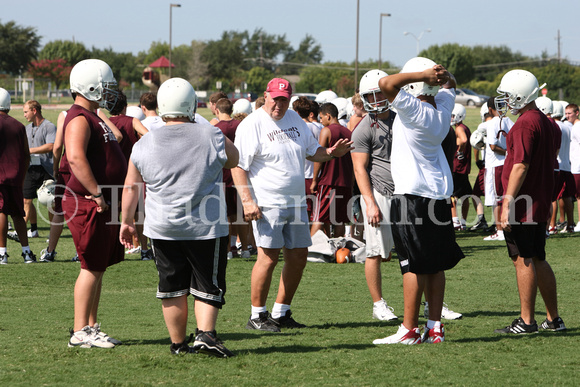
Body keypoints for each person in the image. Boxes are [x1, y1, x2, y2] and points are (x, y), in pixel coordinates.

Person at [120, 77, 238, 357]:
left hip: (162, 227)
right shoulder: (210, 134)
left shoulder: (145, 143)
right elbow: (234, 159)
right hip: (205, 226)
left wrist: (125, 221)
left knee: (171, 286)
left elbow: (130, 186)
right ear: (192, 105)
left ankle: (177, 344)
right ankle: (206, 335)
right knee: (207, 284)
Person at [232, 77, 353, 332]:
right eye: (275, 98)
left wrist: (331, 154)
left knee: (298, 257)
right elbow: (238, 166)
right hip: (267, 203)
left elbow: (313, 151)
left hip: (297, 202)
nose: (279, 104)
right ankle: (257, 315)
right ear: (266, 95)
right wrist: (247, 201)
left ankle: (281, 312)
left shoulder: (295, 120)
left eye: (284, 100)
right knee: (268, 258)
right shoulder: (252, 124)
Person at [373, 57, 464, 345]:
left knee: (411, 266)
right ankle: (435, 328)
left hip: (412, 196)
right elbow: (451, 85)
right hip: (437, 195)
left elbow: (385, 83)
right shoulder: (442, 109)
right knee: (435, 266)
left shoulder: (414, 109)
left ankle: (409, 329)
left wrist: (425, 74)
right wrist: (439, 77)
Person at [494, 69, 566, 334]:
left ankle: (527, 321)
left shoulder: (525, 123)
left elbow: (520, 165)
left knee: (523, 258)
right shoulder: (546, 122)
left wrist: (507, 202)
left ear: (520, 94)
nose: (505, 100)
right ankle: (553, 318)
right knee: (538, 258)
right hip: (539, 200)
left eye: (508, 95)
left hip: (524, 203)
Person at [64, 59, 127, 349]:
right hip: (89, 202)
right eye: (105, 85)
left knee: (98, 267)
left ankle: (90, 326)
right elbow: (76, 158)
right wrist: (98, 193)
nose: (109, 91)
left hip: (100, 201)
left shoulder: (93, 114)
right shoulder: (78, 117)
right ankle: (80, 331)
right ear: (90, 85)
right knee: (90, 266)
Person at [351, 69, 398, 321]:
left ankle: (428, 301)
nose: (378, 99)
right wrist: (369, 203)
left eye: (380, 93)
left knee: (414, 251)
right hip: (379, 192)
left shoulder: (401, 118)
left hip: (406, 191)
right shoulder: (363, 128)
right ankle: (378, 304)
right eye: (372, 95)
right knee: (375, 251)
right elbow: (359, 168)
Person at [108, 91, 151, 260]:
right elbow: (149, 136)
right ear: (125, 106)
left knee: (114, 214)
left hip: (112, 173)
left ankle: (114, 249)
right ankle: (145, 249)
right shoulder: (131, 121)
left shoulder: (106, 122)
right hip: (132, 173)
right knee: (138, 213)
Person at [7, 100, 56, 241]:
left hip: (46, 169)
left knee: (49, 202)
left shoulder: (49, 127)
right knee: (26, 200)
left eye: (26, 112)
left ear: (34, 111)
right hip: (30, 168)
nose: (24, 115)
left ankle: (53, 232)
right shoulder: (27, 128)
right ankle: (31, 230)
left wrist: (30, 150)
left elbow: (51, 146)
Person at [0, 88, 37, 264]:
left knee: (1, 211)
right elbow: (26, 154)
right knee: (17, 213)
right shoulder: (19, 126)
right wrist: (21, 177)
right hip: (15, 175)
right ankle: (27, 252)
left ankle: (2, 253)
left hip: (0, 175)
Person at [213, 97, 252, 259]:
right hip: (240, 173)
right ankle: (245, 249)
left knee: (226, 215)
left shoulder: (215, 128)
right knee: (240, 215)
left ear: (217, 110)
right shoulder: (241, 125)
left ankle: (229, 249)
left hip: (223, 174)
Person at [310, 102, 354, 237]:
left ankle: (311, 249)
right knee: (339, 219)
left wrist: (314, 180)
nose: (320, 121)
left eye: (321, 117)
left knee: (319, 217)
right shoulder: (349, 132)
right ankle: (338, 249)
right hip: (345, 182)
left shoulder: (326, 131)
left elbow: (320, 156)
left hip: (329, 181)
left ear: (328, 116)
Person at [483, 97, 514, 241]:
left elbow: (493, 147)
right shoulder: (510, 121)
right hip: (508, 164)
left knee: (497, 199)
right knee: (507, 196)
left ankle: (500, 230)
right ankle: (507, 227)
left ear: (490, 109)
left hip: (496, 164)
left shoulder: (492, 123)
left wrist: (507, 153)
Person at [551, 101, 575, 232]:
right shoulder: (567, 126)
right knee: (567, 197)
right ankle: (570, 224)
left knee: (553, 197)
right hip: (567, 164)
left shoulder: (555, 126)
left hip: (557, 165)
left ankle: (552, 225)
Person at [450, 104, 472, 231]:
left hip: (457, 167)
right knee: (464, 196)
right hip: (463, 168)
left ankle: (455, 221)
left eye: (453, 115)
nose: (451, 118)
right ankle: (463, 222)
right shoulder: (465, 127)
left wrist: (459, 151)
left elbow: (463, 140)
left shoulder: (459, 129)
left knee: (451, 195)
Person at [566, 103, 580, 231]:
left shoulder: (577, 127)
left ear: (577, 113)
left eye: (570, 113)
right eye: (566, 113)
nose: (567, 116)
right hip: (575, 165)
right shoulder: (574, 127)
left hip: (578, 166)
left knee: (579, 196)